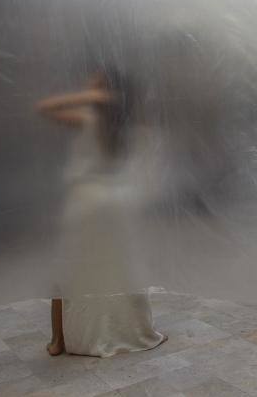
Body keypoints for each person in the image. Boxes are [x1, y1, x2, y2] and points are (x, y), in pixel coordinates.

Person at [37, 67, 166, 357]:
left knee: (68, 270)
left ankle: (58, 341)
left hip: (85, 203)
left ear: (105, 90)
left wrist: (90, 96)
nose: (88, 84)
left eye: (94, 82)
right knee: (119, 271)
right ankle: (130, 331)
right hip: (117, 206)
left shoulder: (90, 118)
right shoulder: (131, 126)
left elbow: (44, 107)